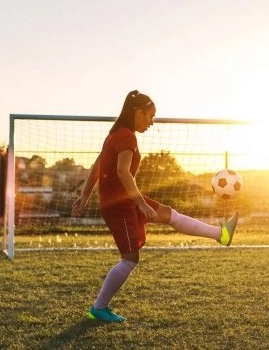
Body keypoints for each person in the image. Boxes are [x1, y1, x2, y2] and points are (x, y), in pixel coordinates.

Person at [71, 90, 239, 323]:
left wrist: (86, 194)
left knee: (172, 215)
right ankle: (99, 307)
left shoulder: (115, 134)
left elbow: (98, 165)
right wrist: (140, 203)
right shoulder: (126, 136)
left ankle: (221, 234)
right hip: (120, 206)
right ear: (138, 113)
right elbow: (121, 171)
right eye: (150, 116)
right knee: (130, 259)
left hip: (124, 200)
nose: (152, 122)